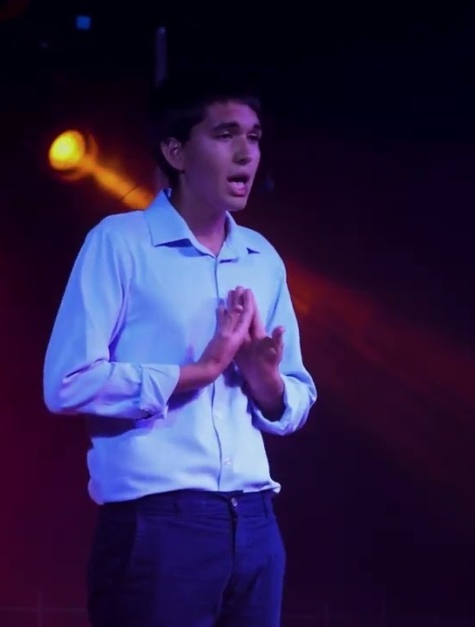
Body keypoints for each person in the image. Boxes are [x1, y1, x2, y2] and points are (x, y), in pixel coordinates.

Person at [42, 76, 318, 627]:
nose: (247, 153)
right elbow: (67, 382)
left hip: (255, 520)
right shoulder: (120, 243)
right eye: (226, 135)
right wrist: (200, 370)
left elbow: (296, 397)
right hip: (159, 524)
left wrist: (264, 380)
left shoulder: (261, 258)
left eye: (254, 137)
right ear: (176, 152)